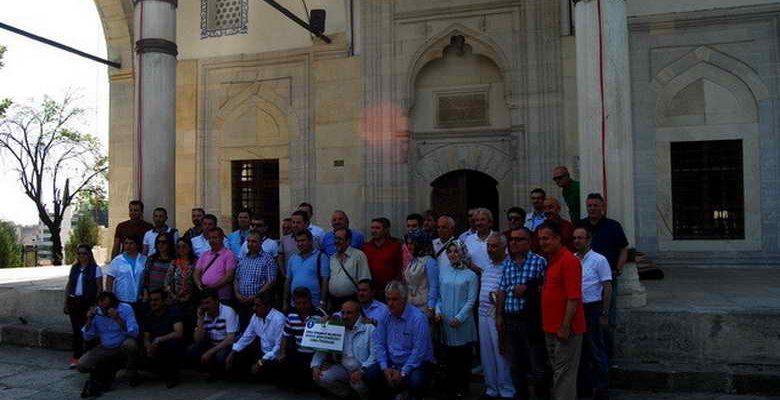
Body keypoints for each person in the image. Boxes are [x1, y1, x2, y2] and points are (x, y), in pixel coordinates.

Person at [496, 227, 547, 399]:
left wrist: (528, 289)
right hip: (511, 320)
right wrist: (499, 315)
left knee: (537, 365)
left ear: (529, 242)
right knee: (516, 365)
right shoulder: (507, 263)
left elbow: (545, 288)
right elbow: (502, 289)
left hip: (531, 321)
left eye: (518, 239)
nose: (513, 243)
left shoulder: (539, 262)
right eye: (511, 239)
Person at [538, 222, 586, 400]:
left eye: (546, 238)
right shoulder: (551, 260)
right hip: (551, 327)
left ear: (557, 238)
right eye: (540, 239)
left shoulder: (569, 261)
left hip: (565, 329)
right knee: (558, 371)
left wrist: (565, 326)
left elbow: (574, 298)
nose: (542, 243)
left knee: (564, 374)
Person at [366, 281, 435, 400]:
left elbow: (419, 351)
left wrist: (403, 372)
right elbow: (379, 343)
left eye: (395, 299)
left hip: (415, 364)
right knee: (370, 375)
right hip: (392, 362)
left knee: (416, 381)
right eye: (388, 299)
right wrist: (384, 368)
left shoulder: (418, 318)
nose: (390, 303)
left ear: (404, 299)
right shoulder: (385, 314)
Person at [435, 240, 478, 398]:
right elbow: (439, 296)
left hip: (463, 324)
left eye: (456, 251)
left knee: (463, 358)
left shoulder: (471, 275)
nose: (452, 254)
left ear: (462, 253)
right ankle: (451, 388)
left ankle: (463, 388)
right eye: (450, 251)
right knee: (449, 358)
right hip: (446, 322)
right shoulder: (443, 272)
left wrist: (460, 317)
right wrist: (438, 311)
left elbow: (471, 300)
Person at [573, 227, 612, 400]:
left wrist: (604, 312)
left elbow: (607, 287)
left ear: (588, 240)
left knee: (597, 349)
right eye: (575, 238)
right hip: (577, 309)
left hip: (593, 308)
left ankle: (602, 389)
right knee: (580, 351)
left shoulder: (599, 260)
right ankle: (584, 388)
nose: (577, 241)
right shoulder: (572, 259)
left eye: (580, 238)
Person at [578, 193, 628, 328]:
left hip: (607, 278)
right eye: (589, 206)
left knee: (607, 316)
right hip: (585, 278)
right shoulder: (580, 225)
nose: (592, 208)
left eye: (595, 205)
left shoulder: (613, 226)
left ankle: (607, 340)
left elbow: (623, 249)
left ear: (603, 207)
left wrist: (618, 269)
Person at [77, 291, 140, 397]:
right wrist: (89, 320)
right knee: (81, 365)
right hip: (105, 347)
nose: (104, 310)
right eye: (102, 307)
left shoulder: (125, 308)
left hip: (122, 344)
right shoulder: (97, 312)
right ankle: (101, 372)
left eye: (106, 307)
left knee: (130, 345)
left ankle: (131, 372)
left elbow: (134, 333)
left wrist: (117, 318)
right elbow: (87, 337)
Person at [311, 300, 376, 399]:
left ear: (358, 314)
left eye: (349, 313)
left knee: (358, 385)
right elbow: (323, 346)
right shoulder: (337, 326)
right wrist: (315, 365)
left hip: (362, 369)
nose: (345, 316)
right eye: (343, 313)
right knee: (321, 377)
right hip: (343, 368)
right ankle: (347, 394)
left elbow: (374, 354)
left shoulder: (369, 329)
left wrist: (361, 371)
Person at [478, 233, 516, 399]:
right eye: (488, 246)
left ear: (503, 247)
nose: (490, 249)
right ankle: (491, 389)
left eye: (493, 246)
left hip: (499, 314)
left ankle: (506, 390)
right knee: (486, 353)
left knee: (501, 353)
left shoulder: (509, 265)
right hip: (482, 312)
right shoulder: (487, 265)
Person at [226, 290, 286, 379]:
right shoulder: (255, 316)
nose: (254, 308)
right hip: (261, 353)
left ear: (267, 306)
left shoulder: (279, 319)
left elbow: (278, 348)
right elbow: (246, 337)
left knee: (269, 368)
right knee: (236, 357)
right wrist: (232, 352)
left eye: (257, 305)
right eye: (254, 305)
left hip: (273, 356)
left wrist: (260, 363)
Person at [64, 244, 104, 368]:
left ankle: (89, 357)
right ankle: (76, 356)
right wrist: (66, 301)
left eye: (84, 253)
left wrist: (96, 304)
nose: (82, 256)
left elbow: (99, 288)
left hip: (87, 302)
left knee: (87, 330)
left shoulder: (95, 269)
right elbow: (69, 284)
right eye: (79, 253)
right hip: (74, 301)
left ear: (89, 255)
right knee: (76, 330)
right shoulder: (74, 268)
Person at [279, 287, 328, 388]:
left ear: (310, 301)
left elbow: (328, 338)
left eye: (305, 303)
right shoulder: (291, 315)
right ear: (294, 303)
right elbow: (285, 336)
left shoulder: (320, 314)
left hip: (316, 354)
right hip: (299, 353)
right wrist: (282, 353)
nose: (302, 306)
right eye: (298, 303)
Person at [188, 289, 239, 378]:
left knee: (220, 356)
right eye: (203, 303)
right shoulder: (203, 313)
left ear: (216, 301)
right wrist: (200, 320)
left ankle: (221, 373)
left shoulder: (228, 311)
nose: (205, 306)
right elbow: (197, 340)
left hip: (227, 345)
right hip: (212, 343)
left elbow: (230, 339)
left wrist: (210, 352)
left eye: (208, 303)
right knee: (192, 349)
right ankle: (209, 370)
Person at [234, 232, 277, 329]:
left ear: (261, 243)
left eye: (254, 241)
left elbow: (271, 281)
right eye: (248, 241)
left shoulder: (268, 260)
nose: (250, 244)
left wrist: (255, 296)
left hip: (258, 303)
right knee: (244, 328)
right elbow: (236, 279)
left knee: (258, 329)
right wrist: (237, 294)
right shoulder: (243, 259)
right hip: (242, 302)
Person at [143, 288, 185, 388]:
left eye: (156, 300)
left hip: (168, 343)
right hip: (155, 347)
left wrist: (160, 339)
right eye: (151, 300)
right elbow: (146, 336)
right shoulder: (149, 315)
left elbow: (178, 332)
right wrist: (148, 346)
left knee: (173, 344)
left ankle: (173, 376)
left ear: (164, 301)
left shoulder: (173, 311)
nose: (153, 303)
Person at [284, 229, 330, 311]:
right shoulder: (293, 258)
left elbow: (325, 281)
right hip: (294, 304)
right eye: (298, 241)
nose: (300, 244)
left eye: (303, 240)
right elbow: (288, 281)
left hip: (315, 305)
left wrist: (322, 302)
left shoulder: (321, 257)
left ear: (311, 241)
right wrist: (285, 302)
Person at [329, 227, 371, 310]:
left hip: (352, 301)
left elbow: (364, 280)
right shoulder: (332, 258)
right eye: (335, 238)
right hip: (334, 302)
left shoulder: (359, 255)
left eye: (340, 239)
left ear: (348, 241)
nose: (336, 241)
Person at [166, 237, 199, 341]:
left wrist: (190, 296)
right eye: (178, 247)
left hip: (191, 301)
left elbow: (198, 281)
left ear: (189, 247)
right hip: (176, 301)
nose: (181, 249)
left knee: (190, 327)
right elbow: (167, 282)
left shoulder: (196, 262)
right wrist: (173, 295)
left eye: (184, 246)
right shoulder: (173, 263)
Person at [106, 235, 147, 317]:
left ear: (137, 245)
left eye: (131, 243)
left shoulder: (144, 260)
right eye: (126, 243)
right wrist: (110, 297)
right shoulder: (117, 261)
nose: (128, 246)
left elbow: (146, 279)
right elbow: (109, 280)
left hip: (139, 300)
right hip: (121, 300)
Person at [363, 217, 402, 301]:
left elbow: (399, 267)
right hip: (371, 291)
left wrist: (395, 285)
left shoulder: (395, 247)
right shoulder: (365, 247)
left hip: (390, 291)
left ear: (385, 230)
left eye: (377, 228)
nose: (374, 231)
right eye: (372, 228)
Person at [194, 227, 237, 304]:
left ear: (222, 238)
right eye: (210, 238)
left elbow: (229, 276)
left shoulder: (229, 254)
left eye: (215, 238)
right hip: (205, 297)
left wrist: (213, 287)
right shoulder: (204, 254)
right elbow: (196, 273)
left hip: (221, 297)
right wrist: (199, 285)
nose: (212, 241)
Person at [402, 231, 438, 317]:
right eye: (408, 243)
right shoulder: (413, 261)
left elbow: (434, 286)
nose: (409, 246)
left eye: (412, 243)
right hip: (411, 305)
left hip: (425, 307)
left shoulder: (430, 262)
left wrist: (431, 307)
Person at [143, 232, 175, 299]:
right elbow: (145, 279)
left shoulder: (174, 261)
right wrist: (146, 295)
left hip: (168, 297)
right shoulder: (151, 259)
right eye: (158, 242)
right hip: (152, 296)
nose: (160, 244)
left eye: (164, 242)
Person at [464, 208, 495, 274]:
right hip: (473, 278)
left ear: (490, 223)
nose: (479, 223)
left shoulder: (497, 238)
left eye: (482, 220)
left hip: (492, 277)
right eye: (477, 220)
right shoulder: (468, 239)